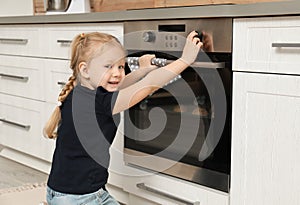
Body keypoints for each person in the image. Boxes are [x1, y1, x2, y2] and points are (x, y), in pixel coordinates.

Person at [43, 31, 202, 205]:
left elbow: (120, 87)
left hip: (71, 192)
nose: (118, 73)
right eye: (108, 66)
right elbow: (147, 87)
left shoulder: (82, 93)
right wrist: (185, 60)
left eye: (120, 66)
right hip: (79, 198)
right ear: (85, 70)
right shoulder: (98, 102)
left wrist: (141, 71)